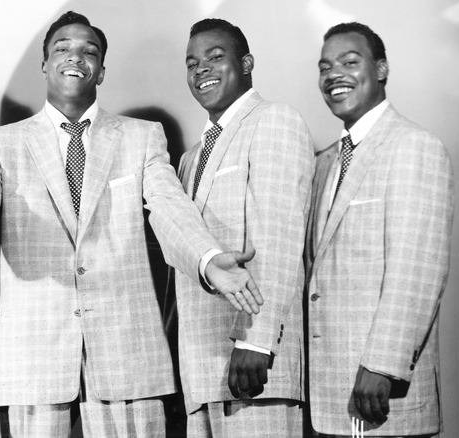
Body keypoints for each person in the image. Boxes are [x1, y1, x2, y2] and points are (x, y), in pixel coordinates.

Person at [0, 11, 263, 438]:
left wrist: (207, 260)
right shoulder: (3, 144)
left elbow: (170, 208)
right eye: (63, 48)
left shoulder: (142, 136)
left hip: (129, 360)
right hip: (34, 363)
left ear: (101, 70)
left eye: (89, 51)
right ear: (45, 64)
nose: (76, 56)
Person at [305, 22, 453, 437]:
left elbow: (418, 269)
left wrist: (382, 365)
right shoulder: (323, 163)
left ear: (382, 69)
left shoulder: (413, 147)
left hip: (381, 395)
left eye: (350, 62)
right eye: (325, 67)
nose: (335, 74)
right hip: (328, 395)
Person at [171, 18, 314, 437]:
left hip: (255, 366)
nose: (202, 70)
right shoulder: (190, 157)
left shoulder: (274, 119)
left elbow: (279, 238)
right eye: (192, 62)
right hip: (200, 371)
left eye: (216, 57)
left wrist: (256, 341)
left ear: (247, 63)